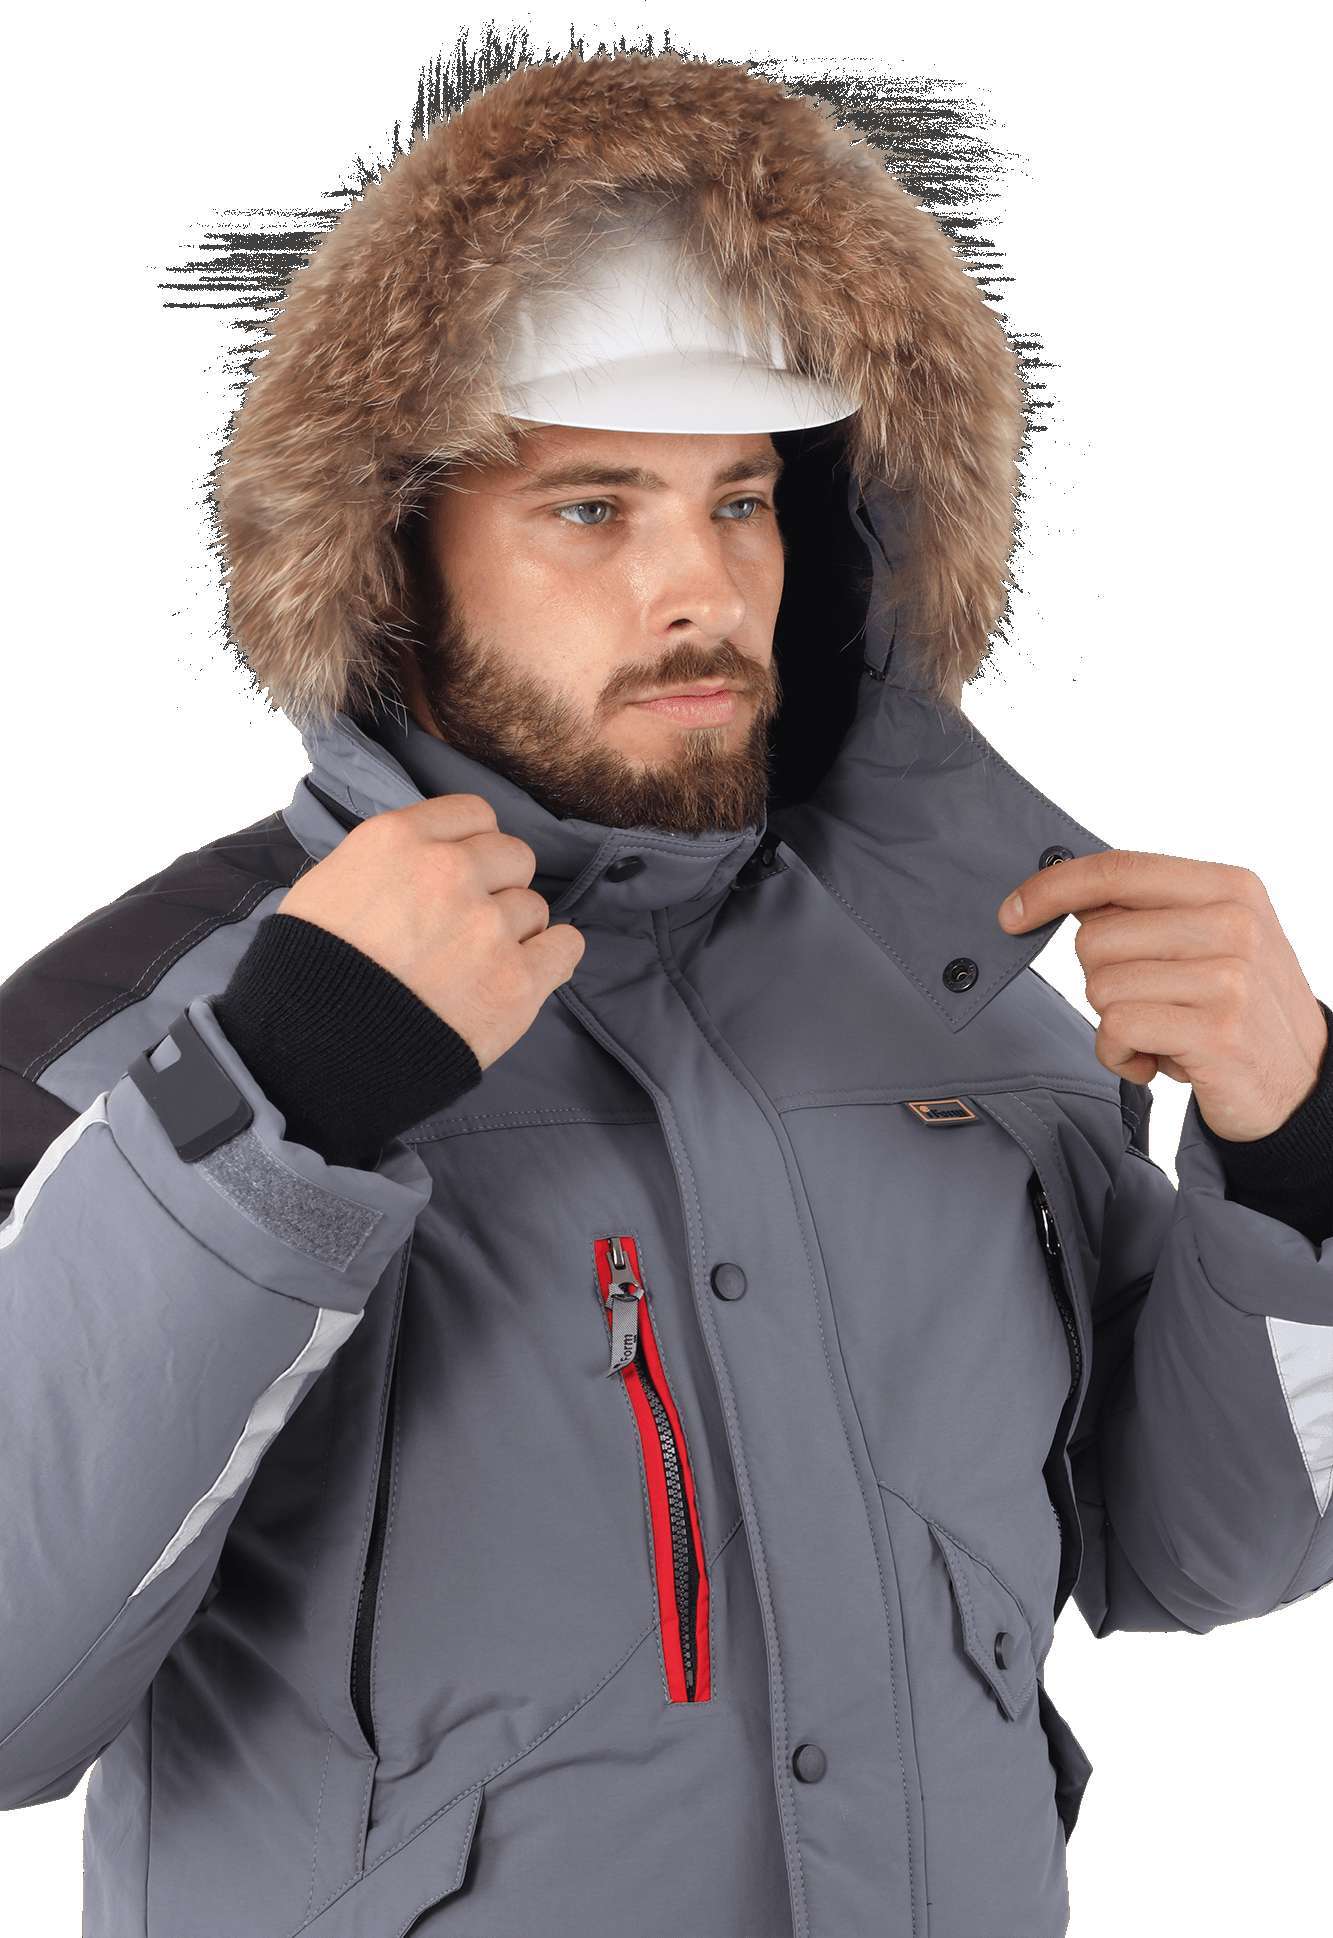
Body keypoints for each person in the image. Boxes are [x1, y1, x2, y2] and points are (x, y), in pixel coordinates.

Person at [1, 48, 1330, 1938]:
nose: (699, 587)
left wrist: (1296, 1164)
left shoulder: (969, 1003)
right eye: (591, 509)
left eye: (743, 500)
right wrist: (279, 1100)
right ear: (395, 556)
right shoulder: (150, 1025)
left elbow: (1202, 1549)